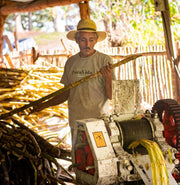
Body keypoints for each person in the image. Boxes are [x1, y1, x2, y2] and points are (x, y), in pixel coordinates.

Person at [32, 19, 115, 138]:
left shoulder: (105, 61)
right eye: (83, 40)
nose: (87, 44)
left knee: (101, 155)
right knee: (80, 155)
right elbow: (65, 93)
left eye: (91, 40)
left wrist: (108, 77)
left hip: (99, 122)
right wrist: (45, 104)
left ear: (96, 40)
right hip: (77, 122)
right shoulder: (71, 62)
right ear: (77, 40)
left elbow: (112, 95)